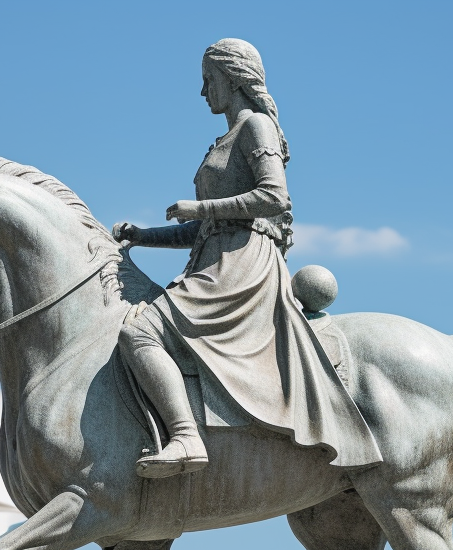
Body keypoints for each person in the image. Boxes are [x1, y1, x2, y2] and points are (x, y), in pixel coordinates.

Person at [115, 38, 381, 479]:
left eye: (208, 80)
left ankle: (185, 438)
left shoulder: (256, 126)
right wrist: (144, 236)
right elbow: (204, 229)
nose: (203, 92)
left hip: (243, 264)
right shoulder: (223, 139)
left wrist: (199, 208)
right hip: (215, 257)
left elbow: (273, 197)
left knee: (140, 331)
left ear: (233, 77)